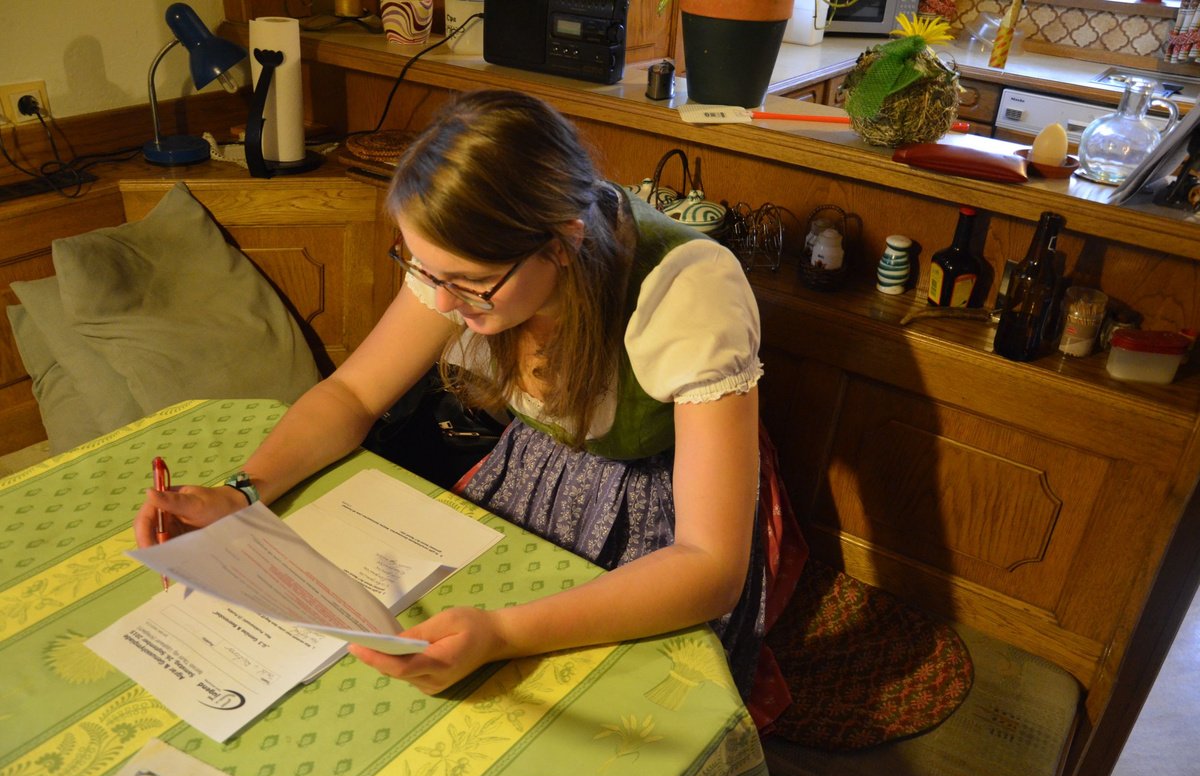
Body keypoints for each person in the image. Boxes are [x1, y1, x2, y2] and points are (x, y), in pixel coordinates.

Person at [135, 89, 797, 709]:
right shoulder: (461, 262)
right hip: (539, 467)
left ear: (564, 242)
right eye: (424, 269)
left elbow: (710, 566)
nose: (441, 302)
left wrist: (504, 633)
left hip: (660, 507)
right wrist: (241, 492)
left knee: (589, 698)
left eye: (470, 283)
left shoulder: (686, 291)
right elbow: (353, 393)